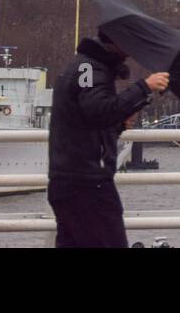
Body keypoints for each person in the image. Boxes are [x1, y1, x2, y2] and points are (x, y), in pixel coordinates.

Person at [47, 31, 169, 247]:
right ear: (117, 43)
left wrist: (119, 124)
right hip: (87, 183)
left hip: (69, 180)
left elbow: (88, 121)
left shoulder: (87, 66)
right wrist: (144, 87)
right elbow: (97, 111)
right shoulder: (89, 69)